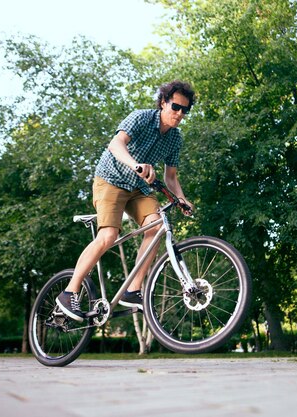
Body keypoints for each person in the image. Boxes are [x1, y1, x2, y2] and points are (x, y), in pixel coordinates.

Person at [56, 80, 196, 321]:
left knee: (157, 227)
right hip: (111, 179)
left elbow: (170, 176)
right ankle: (69, 292)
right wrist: (136, 165)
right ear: (163, 103)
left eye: (185, 110)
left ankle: (133, 290)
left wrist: (182, 199)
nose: (179, 114)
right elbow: (115, 144)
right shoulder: (141, 118)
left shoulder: (175, 139)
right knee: (108, 236)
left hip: (139, 189)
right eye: (175, 107)